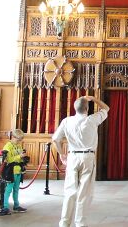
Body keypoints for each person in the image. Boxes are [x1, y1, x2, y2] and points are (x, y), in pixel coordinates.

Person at [52, 94, 109, 227]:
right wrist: (93, 99)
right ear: (87, 108)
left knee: (70, 191)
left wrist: (61, 154)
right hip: (88, 157)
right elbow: (106, 108)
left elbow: (55, 139)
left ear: (74, 108)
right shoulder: (92, 120)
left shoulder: (66, 121)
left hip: (72, 157)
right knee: (84, 192)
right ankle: (80, 223)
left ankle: (64, 222)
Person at [0, 128, 28, 215]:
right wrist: (19, 156)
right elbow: (9, 160)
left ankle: (16, 206)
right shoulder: (7, 146)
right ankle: (5, 207)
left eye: (20, 140)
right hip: (11, 171)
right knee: (8, 190)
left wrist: (23, 158)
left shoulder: (19, 146)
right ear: (13, 137)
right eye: (18, 140)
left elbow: (20, 157)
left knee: (16, 189)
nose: (19, 142)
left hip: (18, 170)